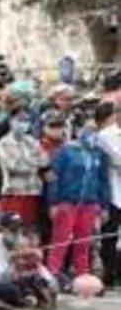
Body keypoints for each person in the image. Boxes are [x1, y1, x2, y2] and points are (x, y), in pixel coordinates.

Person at [46, 121, 111, 284]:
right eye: (88, 130)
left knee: (84, 240)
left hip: (89, 202)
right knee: (61, 238)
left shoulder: (99, 154)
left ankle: (82, 273)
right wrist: (53, 202)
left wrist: (104, 206)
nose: (91, 134)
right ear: (79, 130)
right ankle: (53, 272)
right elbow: (53, 177)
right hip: (67, 201)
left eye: (95, 131)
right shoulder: (66, 151)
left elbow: (104, 181)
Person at [94, 102, 121, 286]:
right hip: (112, 192)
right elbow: (118, 158)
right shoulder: (106, 135)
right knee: (109, 236)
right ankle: (109, 274)